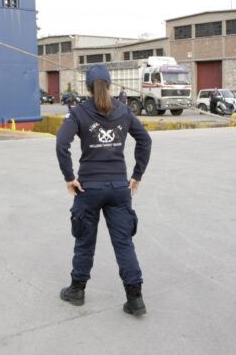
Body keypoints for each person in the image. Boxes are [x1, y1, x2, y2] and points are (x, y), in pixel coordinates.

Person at [56, 65, 153, 316]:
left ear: (87, 88)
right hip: (120, 187)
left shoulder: (78, 113)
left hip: (89, 187)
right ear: (110, 86)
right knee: (124, 243)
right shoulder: (124, 111)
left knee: (85, 241)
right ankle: (135, 299)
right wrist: (137, 175)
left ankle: (77, 291)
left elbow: (61, 144)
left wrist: (70, 178)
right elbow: (145, 139)